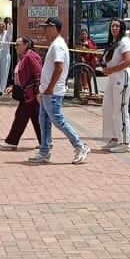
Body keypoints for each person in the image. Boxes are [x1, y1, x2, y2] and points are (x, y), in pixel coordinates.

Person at [30, 17, 91, 165]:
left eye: (47, 27)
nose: (45, 31)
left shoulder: (58, 45)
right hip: (48, 91)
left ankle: (80, 146)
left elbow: (59, 68)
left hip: (53, 92)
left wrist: (49, 88)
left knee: (58, 121)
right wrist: (44, 90)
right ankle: (44, 151)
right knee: (43, 121)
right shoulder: (55, 44)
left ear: (54, 28)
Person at [100, 19, 130, 151]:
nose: (114, 28)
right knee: (108, 108)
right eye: (112, 26)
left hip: (123, 77)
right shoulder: (114, 43)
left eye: (117, 26)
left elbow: (127, 61)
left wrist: (111, 70)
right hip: (113, 78)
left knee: (120, 109)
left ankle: (125, 142)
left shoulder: (125, 42)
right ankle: (114, 138)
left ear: (122, 28)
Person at [2, 36, 42, 150]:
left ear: (25, 45)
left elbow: (38, 73)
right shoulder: (24, 57)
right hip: (28, 93)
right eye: (15, 45)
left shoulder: (30, 56)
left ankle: (12, 141)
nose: (15, 47)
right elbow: (20, 75)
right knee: (36, 118)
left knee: (21, 117)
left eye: (18, 45)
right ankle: (45, 141)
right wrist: (13, 87)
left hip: (30, 94)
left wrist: (38, 91)